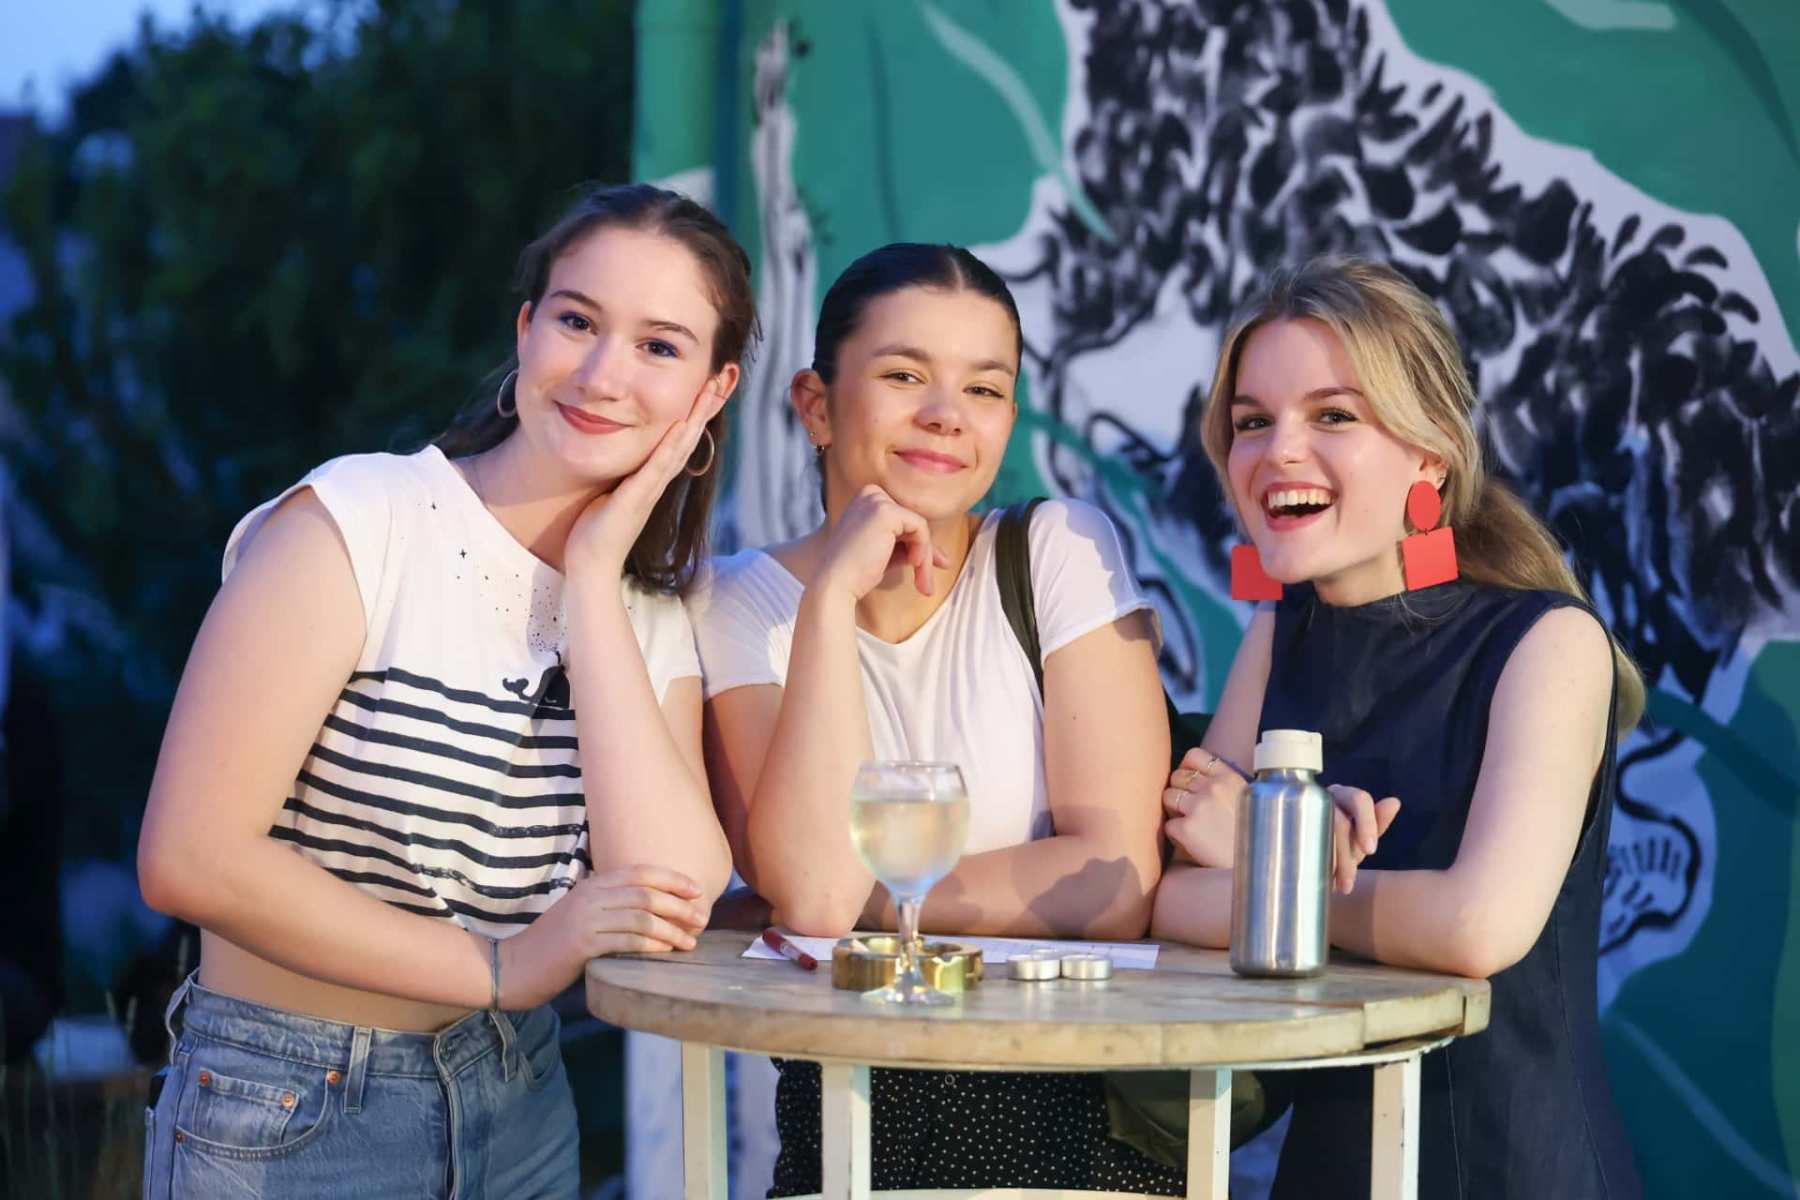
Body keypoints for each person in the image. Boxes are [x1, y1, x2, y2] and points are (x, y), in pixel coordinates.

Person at [136, 182, 755, 1198]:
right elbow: (188, 858)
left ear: (712, 391)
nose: (603, 374)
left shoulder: (644, 610)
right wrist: (501, 967)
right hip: (289, 1106)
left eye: (659, 346)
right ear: (525, 329)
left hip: (518, 1103)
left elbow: (671, 892)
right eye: (577, 321)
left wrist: (592, 580)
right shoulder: (360, 521)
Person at [689, 242, 1183, 1194]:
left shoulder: (1058, 552)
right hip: (848, 1121)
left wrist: (872, 905)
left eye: (985, 389)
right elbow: (815, 896)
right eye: (905, 375)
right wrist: (829, 601)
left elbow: (1109, 884)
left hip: (1078, 1125)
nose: (947, 415)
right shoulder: (739, 603)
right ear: (817, 405)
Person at [1152, 256, 1645, 1198]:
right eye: (1252, 422)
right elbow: (1170, 900)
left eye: (1333, 415)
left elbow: (1477, 926)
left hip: (1507, 1168)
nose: (1280, 451)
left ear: (1432, 456)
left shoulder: (1548, 641)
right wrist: (1293, 868)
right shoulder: (1280, 631)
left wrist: (1268, 854)